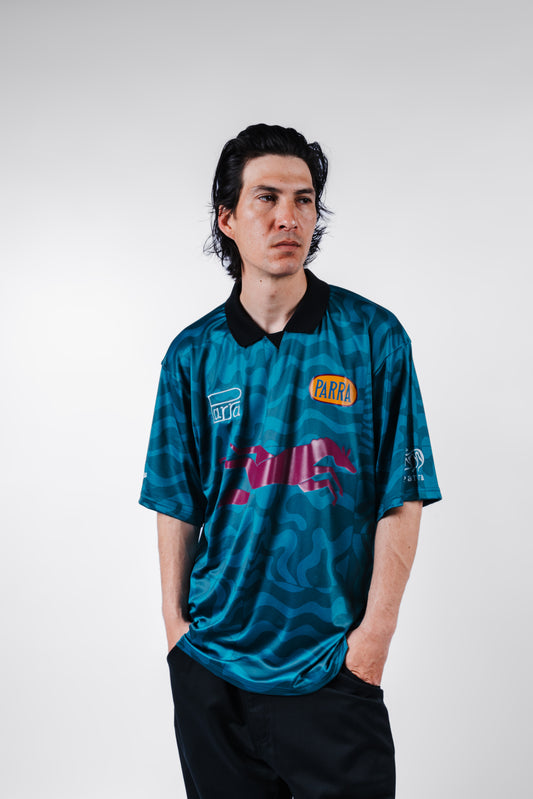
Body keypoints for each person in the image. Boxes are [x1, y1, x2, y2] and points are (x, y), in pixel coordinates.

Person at [139, 123, 441, 799]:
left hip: (332, 667)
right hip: (213, 668)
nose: (289, 217)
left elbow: (403, 495)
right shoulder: (193, 355)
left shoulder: (372, 337)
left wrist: (372, 642)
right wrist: (177, 634)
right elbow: (175, 500)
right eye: (267, 197)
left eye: (304, 200)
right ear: (227, 219)